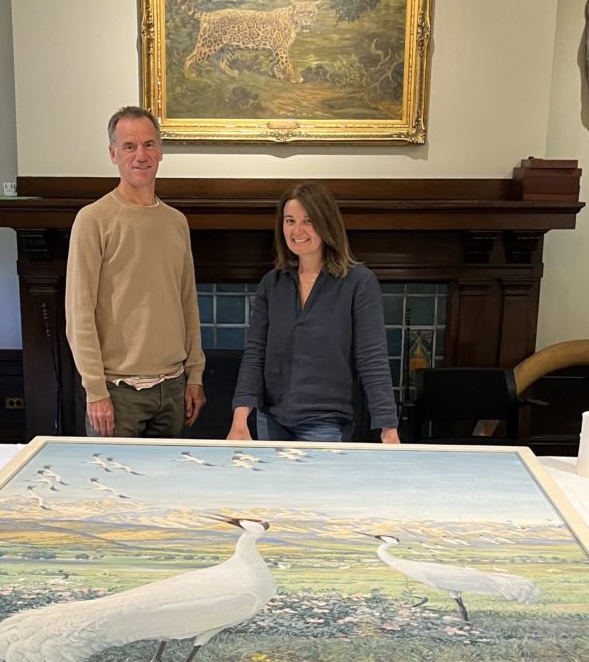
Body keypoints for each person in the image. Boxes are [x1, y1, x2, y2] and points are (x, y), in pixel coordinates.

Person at [65, 106, 205, 438]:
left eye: (149, 144)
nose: (141, 155)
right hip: (117, 394)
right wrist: (95, 390)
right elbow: (79, 312)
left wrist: (195, 375)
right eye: (129, 146)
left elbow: (187, 304)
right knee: (114, 489)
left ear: (161, 151)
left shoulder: (176, 222)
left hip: (173, 390)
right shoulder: (93, 219)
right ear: (113, 154)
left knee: (166, 488)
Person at [227, 182, 400, 444]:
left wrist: (388, 430)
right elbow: (255, 354)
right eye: (290, 220)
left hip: (327, 423)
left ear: (326, 223)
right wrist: (240, 419)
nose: (297, 230)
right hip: (271, 420)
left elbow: (372, 358)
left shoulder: (359, 282)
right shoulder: (271, 284)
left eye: (308, 220)